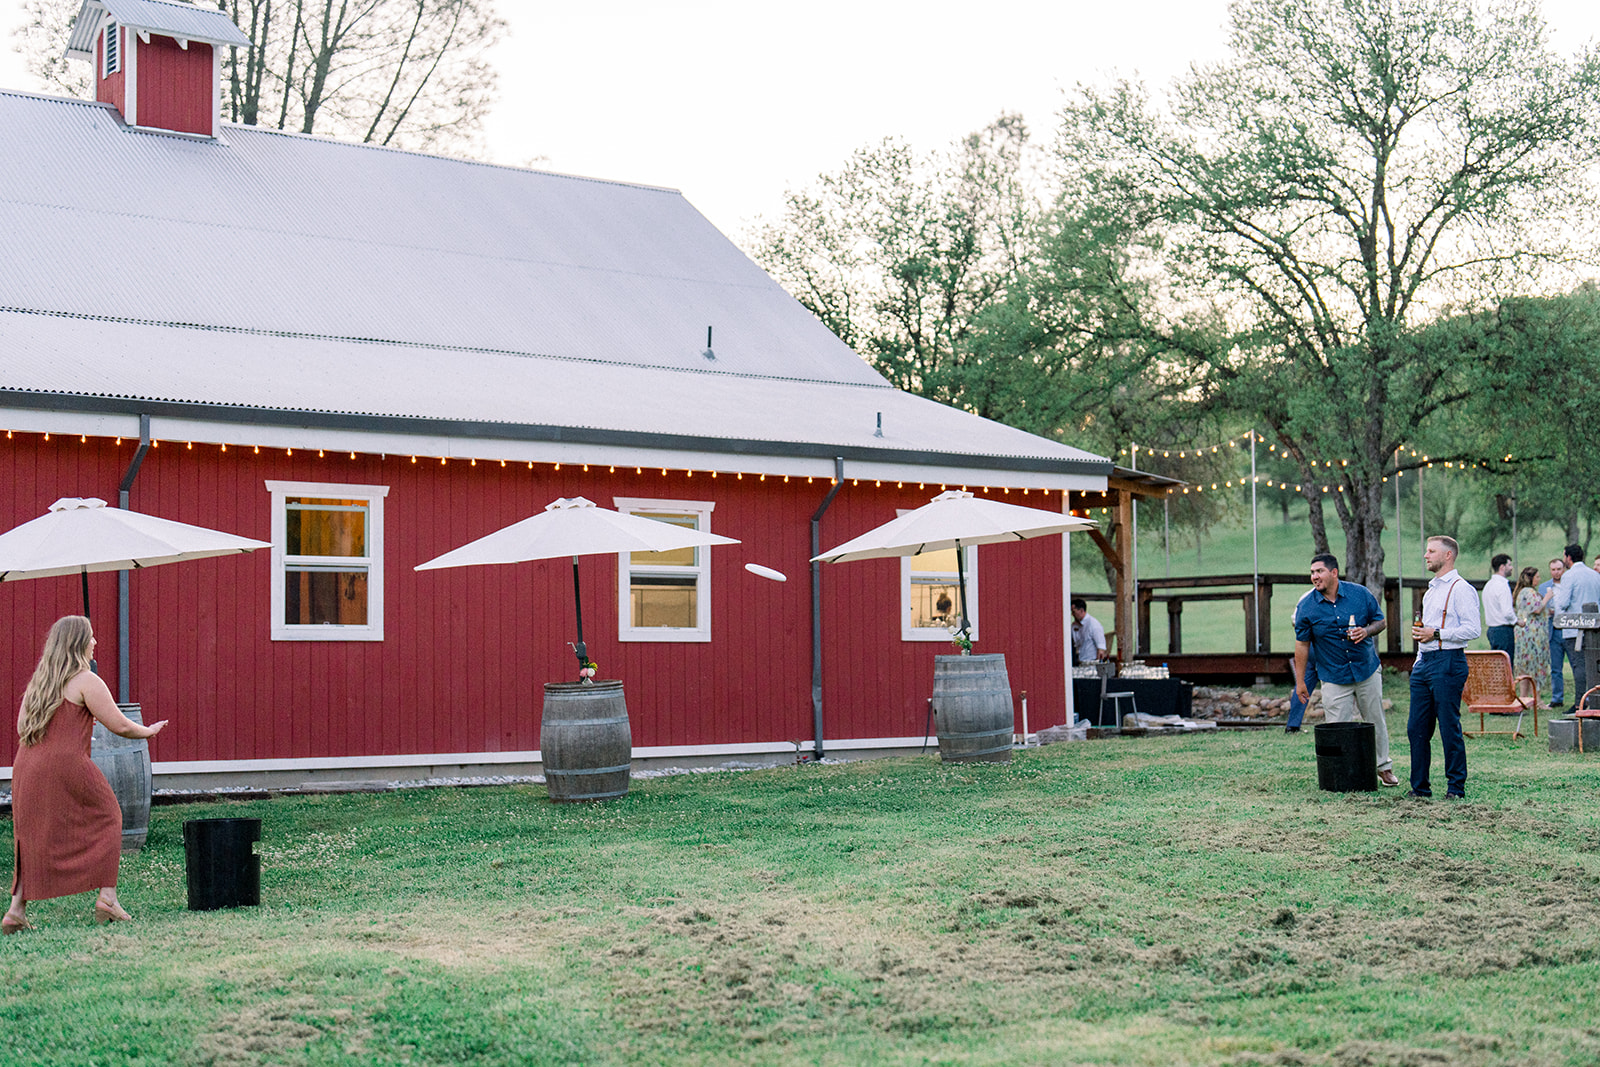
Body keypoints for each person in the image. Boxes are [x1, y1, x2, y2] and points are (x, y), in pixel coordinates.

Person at [4, 616, 168, 934]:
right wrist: (148, 731)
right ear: (78, 643)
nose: (96, 642)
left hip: (26, 765)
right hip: (66, 765)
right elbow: (119, 724)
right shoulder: (85, 679)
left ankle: (16, 910)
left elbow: (24, 728)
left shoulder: (39, 682)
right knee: (109, 817)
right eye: (91, 637)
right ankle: (107, 898)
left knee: (31, 834)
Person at [1292, 553, 1398, 786]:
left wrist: (1366, 631)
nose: (1314, 577)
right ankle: (1340, 773)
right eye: (1312, 573)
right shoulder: (1307, 606)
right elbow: (1301, 645)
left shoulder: (1360, 594)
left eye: (1319, 571)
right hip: (1333, 675)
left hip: (1366, 670)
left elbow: (1381, 621)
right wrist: (1300, 682)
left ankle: (1383, 768)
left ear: (1334, 573)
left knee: (1374, 720)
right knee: (1336, 726)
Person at [1407, 535, 1481, 800]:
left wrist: (1436, 634)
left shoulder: (1461, 588)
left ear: (1448, 555)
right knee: (1416, 728)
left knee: (1449, 726)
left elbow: (1472, 629)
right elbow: (1424, 632)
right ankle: (1419, 788)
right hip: (1425, 663)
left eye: (1431, 551)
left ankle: (1455, 789)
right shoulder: (1431, 590)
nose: (1426, 556)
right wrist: (1418, 662)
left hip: (1448, 661)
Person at [1553, 544, 1600, 710]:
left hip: (1574, 629)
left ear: (1568, 557)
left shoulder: (1569, 576)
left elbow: (1563, 603)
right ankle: (1593, 697)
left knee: (1578, 666)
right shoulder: (1594, 575)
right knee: (1594, 666)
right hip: (1595, 628)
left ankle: (1581, 701)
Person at [1512, 565, 1553, 704]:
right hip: (1532, 635)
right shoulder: (1529, 592)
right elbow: (1536, 609)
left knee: (1525, 666)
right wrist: (1547, 597)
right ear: (1531, 579)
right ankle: (1537, 699)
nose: (1539, 579)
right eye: (1537, 577)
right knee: (1535, 665)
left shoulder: (1520, 592)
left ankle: (1524, 698)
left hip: (1523, 634)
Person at [1286, 586, 1319, 733]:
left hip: (1308, 645)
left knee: (1303, 685)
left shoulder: (1306, 597)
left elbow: (1295, 622)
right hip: (1322, 646)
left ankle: (1293, 724)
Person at [1540, 558, 1567, 708]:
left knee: (1577, 665)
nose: (1556, 572)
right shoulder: (1544, 587)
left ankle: (1582, 698)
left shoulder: (1569, 585)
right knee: (1556, 667)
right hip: (1553, 630)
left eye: (1559, 569)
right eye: (1553, 569)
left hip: (1568, 629)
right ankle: (1557, 697)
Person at [1483, 553, 1515, 660]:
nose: (1511, 568)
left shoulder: (1488, 585)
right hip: (1503, 630)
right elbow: (1507, 612)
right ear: (1502, 567)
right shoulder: (1503, 585)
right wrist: (1517, 621)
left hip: (1492, 630)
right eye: (1509, 565)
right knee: (1506, 665)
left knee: (1497, 665)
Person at [1070, 598, 1108, 665]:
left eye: (1074, 612)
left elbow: (1101, 648)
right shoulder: (1074, 626)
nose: (1072, 615)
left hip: (1092, 662)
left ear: (1081, 610)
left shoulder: (1093, 624)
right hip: (1080, 661)